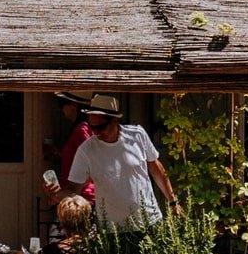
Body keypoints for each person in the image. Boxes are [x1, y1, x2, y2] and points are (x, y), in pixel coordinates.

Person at [60, 94, 177, 227]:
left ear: (115, 121)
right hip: (113, 229)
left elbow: (156, 168)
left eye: (100, 127)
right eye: (92, 127)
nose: (96, 132)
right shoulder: (86, 150)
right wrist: (56, 194)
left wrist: (173, 201)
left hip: (149, 221)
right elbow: (74, 188)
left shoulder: (137, 135)